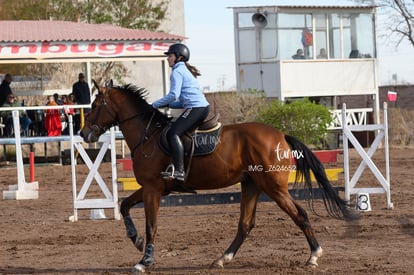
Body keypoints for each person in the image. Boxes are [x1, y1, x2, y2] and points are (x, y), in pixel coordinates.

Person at [152, 43, 210, 182]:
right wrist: (169, 104)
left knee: (173, 133)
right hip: (199, 107)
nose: (168, 59)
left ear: (179, 57)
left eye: (170, 56)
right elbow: (181, 101)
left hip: (196, 108)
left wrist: (154, 104)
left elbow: (173, 94)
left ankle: (179, 171)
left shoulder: (177, 71)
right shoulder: (183, 70)